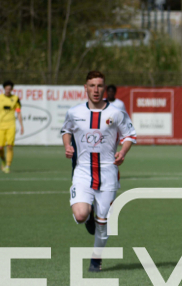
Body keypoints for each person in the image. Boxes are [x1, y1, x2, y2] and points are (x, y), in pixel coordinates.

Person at [61, 71, 137, 272]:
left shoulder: (116, 113)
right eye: (92, 85)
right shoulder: (74, 112)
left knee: (102, 223)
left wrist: (123, 152)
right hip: (83, 171)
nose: (96, 90)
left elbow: (130, 135)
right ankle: (88, 215)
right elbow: (66, 130)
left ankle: (96, 258)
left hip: (108, 172)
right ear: (85, 88)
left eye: (99, 86)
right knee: (80, 215)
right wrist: (67, 146)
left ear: (104, 88)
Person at [0, 80, 24, 174]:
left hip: (11, 125)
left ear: (12, 89)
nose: (8, 90)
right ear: (4, 89)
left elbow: (18, 112)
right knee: (0, 148)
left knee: (9, 146)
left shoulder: (15, 98)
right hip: (0, 126)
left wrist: (21, 126)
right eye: (7, 88)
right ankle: (3, 160)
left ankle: (8, 166)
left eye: (10, 89)